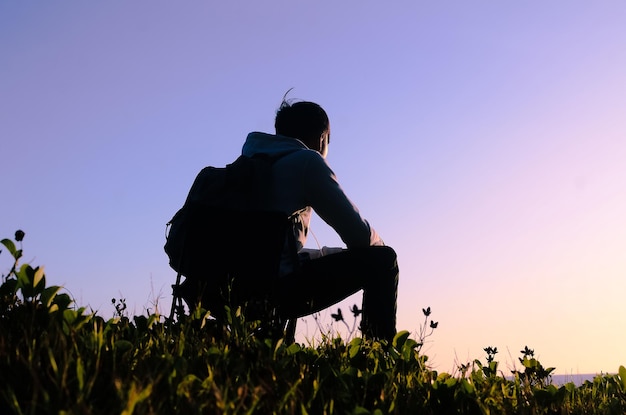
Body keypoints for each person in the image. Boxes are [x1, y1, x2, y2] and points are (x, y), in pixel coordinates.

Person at [235, 97, 399, 342]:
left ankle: (265, 344)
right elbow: (358, 236)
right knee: (384, 260)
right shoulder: (307, 162)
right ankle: (378, 361)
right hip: (274, 290)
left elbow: (275, 249)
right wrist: (379, 244)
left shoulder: (246, 166)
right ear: (322, 138)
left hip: (223, 285)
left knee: (295, 259)